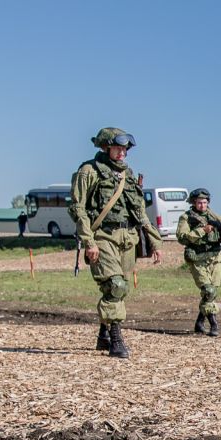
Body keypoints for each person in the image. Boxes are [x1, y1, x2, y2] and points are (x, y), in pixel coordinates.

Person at [70, 127, 164, 358]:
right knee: (115, 285)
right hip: (102, 236)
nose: (122, 153)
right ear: (105, 147)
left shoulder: (127, 174)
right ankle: (115, 338)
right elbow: (78, 208)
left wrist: (155, 242)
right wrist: (89, 241)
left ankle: (103, 332)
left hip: (127, 238)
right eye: (118, 148)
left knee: (120, 288)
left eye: (125, 149)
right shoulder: (88, 171)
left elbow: (139, 211)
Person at [176, 188, 221, 335]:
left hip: (215, 258)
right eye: (199, 202)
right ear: (193, 203)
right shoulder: (186, 218)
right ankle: (214, 324)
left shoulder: (216, 217)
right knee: (208, 290)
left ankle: (199, 322)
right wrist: (203, 230)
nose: (202, 206)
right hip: (197, 259)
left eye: (204, 202)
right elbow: (182, 237)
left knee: (211, 293)